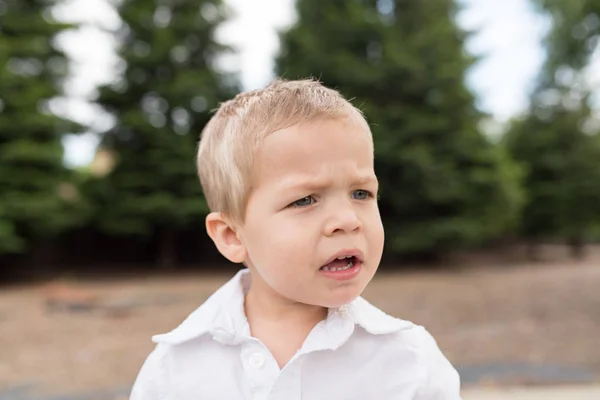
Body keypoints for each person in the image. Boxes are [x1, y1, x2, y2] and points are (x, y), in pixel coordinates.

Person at [130, 78, 462, 399]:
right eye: (305, 200)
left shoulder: (410, 361)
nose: (348, 220)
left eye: (361, 193)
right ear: (233, 236)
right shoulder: (173, 371)